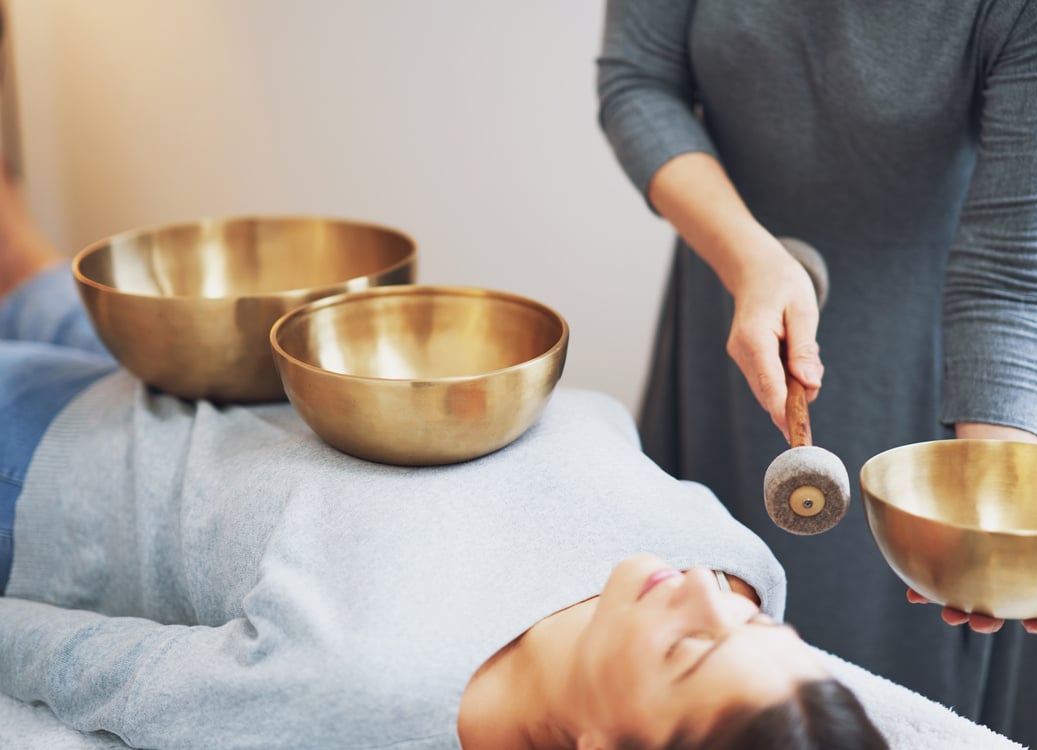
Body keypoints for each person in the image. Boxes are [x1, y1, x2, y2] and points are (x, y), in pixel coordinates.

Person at [0, 183, 891, 748]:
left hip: (73, 460)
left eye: (690, 654)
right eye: (767, 634)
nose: (705, 596)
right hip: (246, 368)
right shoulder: (735, 570)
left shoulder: (366, 690)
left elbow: (79, 663)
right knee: (26, 258)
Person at [595, 1, 1037, 748]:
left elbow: (1010, 269)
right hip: (739, 307)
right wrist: (748, 255)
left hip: (944, 360)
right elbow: (637, 80)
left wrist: (991, 494)